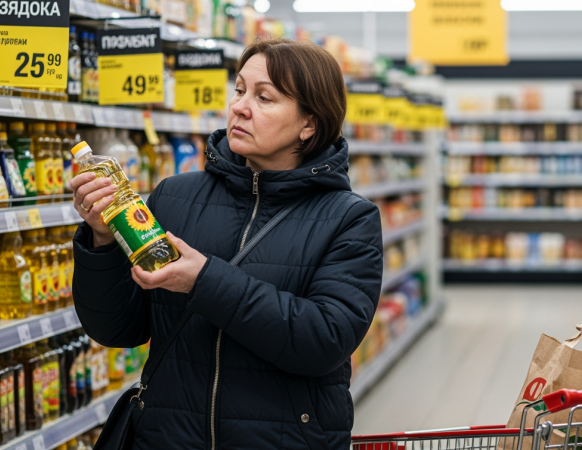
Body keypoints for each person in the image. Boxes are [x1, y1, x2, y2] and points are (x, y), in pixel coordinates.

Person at [69, 38, 383, 450]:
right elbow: (117, 328)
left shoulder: (349, 219)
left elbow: (322, 340)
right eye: (239, 90)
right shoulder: (173, 196)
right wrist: (103, 240)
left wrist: (204, 281)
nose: (240, 106)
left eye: (264, 97)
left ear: (309, 123)